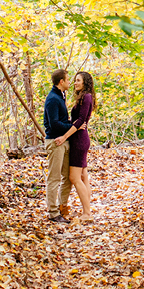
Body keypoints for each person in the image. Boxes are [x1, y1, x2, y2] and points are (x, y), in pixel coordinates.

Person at [54, 71, 95, 222]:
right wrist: (71, 124)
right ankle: (86, 211)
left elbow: (80, 121)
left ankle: (87, 213)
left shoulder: (86, 97)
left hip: (79, 141)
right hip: (79, 138)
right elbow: (76, 121)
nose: (75, 83)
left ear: (85, 83)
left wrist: (64, 136)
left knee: (74, 177)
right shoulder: (82, 97)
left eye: (78, 80)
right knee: (83, 177)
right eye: (75, 80)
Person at [43, 69, 73, 223]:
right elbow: (53, 124)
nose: (70, 82)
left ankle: (62, 207)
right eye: (68, 79)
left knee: (68, 177)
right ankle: (53, 213)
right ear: (61, 81)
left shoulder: (61, 96)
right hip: (55, 142)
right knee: (54, 178)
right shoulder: (53, 99)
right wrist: (72, 126)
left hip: (64, 141)